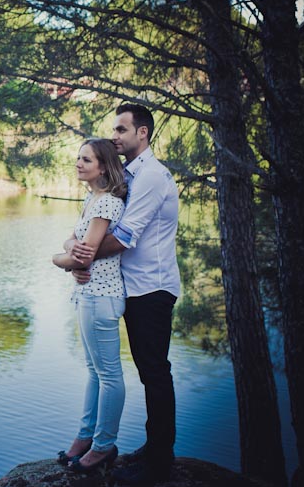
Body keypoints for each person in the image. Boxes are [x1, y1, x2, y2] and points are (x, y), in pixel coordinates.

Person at [68, 103, 181, 485]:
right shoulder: (129, 176)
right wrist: (80, 253)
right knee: (143, 371)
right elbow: (95, 228)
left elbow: (125, 237)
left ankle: (159, 460)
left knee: (154, 372)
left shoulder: (150, 176)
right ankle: (151, 449)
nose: (114, 136)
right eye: (113, 131)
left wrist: (75, 258)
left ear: (142, 133)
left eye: (121, 130)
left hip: (153, 286)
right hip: (129, 288)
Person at [52, 137, 127, 474]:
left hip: (101, 296)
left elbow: (85, 255)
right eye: (78, 158)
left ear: (103, 166)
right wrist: (69, 250)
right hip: (90, 294)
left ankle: (103, 445)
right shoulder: (92, 198)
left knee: (109, 375)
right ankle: (85, 439)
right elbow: (75, 244)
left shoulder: (107, 203)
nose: (79, 163)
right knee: (95, 372)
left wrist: (58, 259)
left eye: (86, 159)